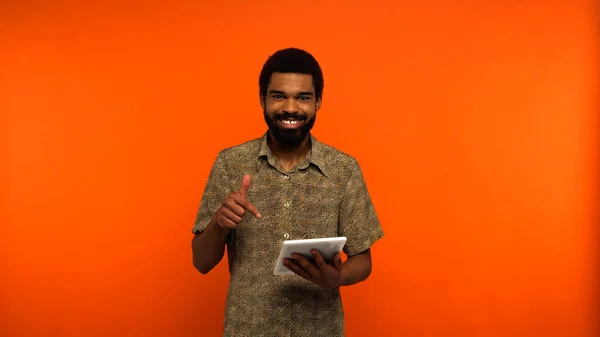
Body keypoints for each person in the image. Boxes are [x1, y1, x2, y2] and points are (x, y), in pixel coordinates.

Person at [191, 47, 384, 337]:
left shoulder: (344, 170)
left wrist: (338, 276)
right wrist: (219, 223)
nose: (290, 108)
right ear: (263, 99)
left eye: (303, 97)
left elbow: (363, 260)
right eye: (279, 95)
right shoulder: (230, 164)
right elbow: (201, 262)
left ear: (318, 101)